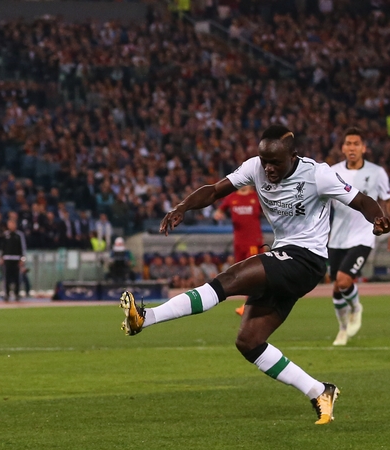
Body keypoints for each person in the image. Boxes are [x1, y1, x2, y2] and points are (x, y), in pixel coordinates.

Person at [120, 125, 390, 425]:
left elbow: (362, 200)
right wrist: (182, 207)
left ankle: (146, 318)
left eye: (275, 162)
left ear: (293, 156)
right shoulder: (255, 167)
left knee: (228, 280)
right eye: (264, 161)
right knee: (249, 341)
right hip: (284, 256)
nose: (268, 168)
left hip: (307, 260)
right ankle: (319, 390)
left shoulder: (318, 174)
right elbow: (214, 190)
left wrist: (377, 217)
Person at [327, 128, 390, 345]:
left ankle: (356, 307)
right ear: (343, 148)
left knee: (344, 280)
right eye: (348, 144)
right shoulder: (332, 172)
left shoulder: (377, 172)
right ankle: (343, 329)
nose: (352, 148)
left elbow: (386, 200)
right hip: (336, 237)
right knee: (336, 286)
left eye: (356, 144)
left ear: (364, 148)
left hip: (364, 235)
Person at [213, 185, 264, 316]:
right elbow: (219, 211)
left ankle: (249, 305)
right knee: (242, 273)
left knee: (252, 272)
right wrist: (219, 214)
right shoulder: (232, 197)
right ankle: (255, 302)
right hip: (239, 243)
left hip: (253, 241)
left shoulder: (256, 196)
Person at [0, 219, 26, 302]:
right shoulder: (5, 235)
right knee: (6, 278)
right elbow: (3, 247)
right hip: (7, 259)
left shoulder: (19, 235)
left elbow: (22, 248)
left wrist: (22, 258)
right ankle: (7, 294)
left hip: (16, 259)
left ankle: (17, 294)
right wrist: (1, 257)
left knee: (17, 278)